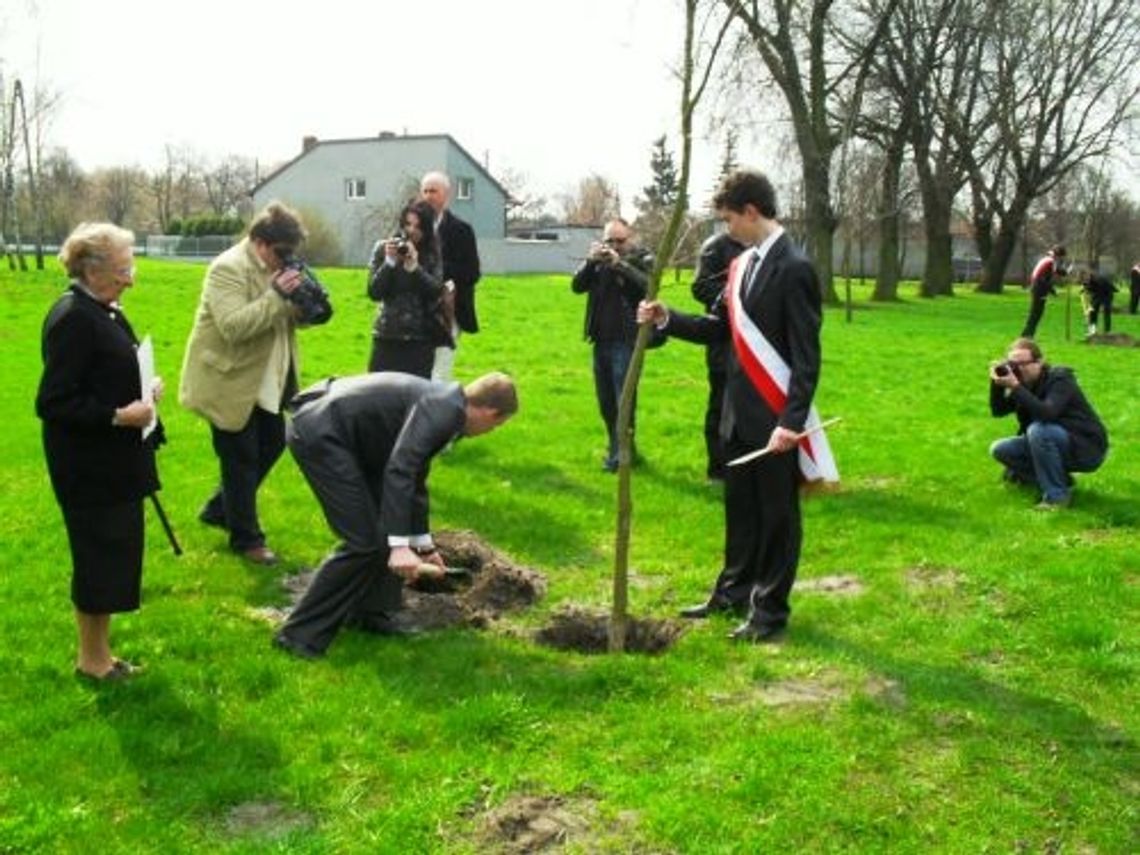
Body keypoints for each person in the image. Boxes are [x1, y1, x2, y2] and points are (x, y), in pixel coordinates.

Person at [638, 170, 838, 643]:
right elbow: (719, 328)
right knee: (740, 511)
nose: (726, 229)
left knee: (776, 518)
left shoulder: (795, 267)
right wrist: (668, 318)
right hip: (737, 412)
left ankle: (769, 613)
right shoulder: (741, 264)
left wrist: (790, 423)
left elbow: (807, 359)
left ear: (751, 212)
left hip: (775, 420)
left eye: (729, 219)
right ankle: (731, 594)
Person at [272, 372, 518, 658]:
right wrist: (400, 547)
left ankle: (368, 613)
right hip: (322, 434)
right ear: (490, 412)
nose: (492, 431)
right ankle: (296, 636)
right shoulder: (445, 411)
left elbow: (414, 476)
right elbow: (400, 469)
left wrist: (423, 546)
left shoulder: (446, 405)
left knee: (384, 533)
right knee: (363, 542)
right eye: (497, 424)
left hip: (347, 436)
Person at [36, 223, 165, 681]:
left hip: (114, 463)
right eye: (122, 269)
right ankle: (91, 662)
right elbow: (53, 402)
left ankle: (102, 654)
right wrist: (117, 415)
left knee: (113, 559)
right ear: (91, 271)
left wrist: (144, 388)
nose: (131, 278)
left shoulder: (105, 309)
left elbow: (105, 370)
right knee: (97, 560)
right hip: (88, 467)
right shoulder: (73, 317)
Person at [179, 202, 309, 565]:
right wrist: (277, 297)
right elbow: (234, 326)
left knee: (272, 443)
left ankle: (220, 509)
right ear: (260, 242)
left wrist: (305, 304)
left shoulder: (279, 267)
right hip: (228, 380)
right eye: (281, 252)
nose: (285, 260)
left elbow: (285, 320)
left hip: (266, 380)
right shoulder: (227, 268)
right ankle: (247, 539)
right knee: (241, 458)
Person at [571, 218, 654, 472]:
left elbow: (648, 285)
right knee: (606, 402)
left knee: (623, 400)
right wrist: (590, 261)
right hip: (601, 340)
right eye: (610, 241)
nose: (615, 246)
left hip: (627, 340)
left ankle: (621, 456)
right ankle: (621, 449)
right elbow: (576, 286)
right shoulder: (598, 263)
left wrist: (621, 266)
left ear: (630, 239)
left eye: (621, 241)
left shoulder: (641, 259)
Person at [989, 337, 1108, 510]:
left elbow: (1047, 413)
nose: (1018, 369)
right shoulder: (1023, 385)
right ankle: (1063, 482)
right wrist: (996, 384)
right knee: (1000, 449)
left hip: (1086, 447)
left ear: (1039, 362)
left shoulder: (1060, 379)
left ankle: (1056, 498)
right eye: (1013, 365)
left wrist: (1015, 386)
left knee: (1039, 430)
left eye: (1024, 363)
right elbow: (998, 410)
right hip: (1054, 443)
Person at [367, 200, 450, 377]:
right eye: (408, 224)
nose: (411, 230)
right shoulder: (384, 248)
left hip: (420, 339)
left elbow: (435, 291)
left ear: (427, 229)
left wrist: (415, 269)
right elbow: (374, 292)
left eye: (418, 226)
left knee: (415, 398)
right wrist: (389, 263)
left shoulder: (432, 252)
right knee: (378, 396)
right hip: (386, 335)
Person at [691, 231, 747, 481]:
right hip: (723, 340)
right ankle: (718, 469)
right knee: (720, 406)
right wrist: (727, 295)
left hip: (757, 343)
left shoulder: (765, 243)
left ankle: (749, 466)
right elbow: (700, 286)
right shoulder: (716, 246)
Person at [420, 171, 481, 382]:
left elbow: (472, 272)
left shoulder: (462, 231)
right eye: (425, 191)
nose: (428, 196)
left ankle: (437, 412)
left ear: (446, 195)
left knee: (439, 372)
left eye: (433, 191)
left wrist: (434, 269)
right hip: (416, 311)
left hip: (449, 311)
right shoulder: (411, 228)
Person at [1021, 245, 1067, 338]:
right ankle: (1027, 334)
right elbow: (1043, 279)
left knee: (1036, 312)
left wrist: (1064, 272)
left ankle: (1029, 334)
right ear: (1058, 255)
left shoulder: (1047, 259)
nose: (1061, 259)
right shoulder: (1050, 261)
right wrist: (1052, 290)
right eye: (1061, 257)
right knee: (1036, 312)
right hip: (1039, 289)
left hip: (1037, 287)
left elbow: (1055, 271)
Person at [1078, 268, 1117, 335]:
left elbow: (1098, 294)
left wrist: (1091, 306)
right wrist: (1084, 290)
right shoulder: (1086, 280)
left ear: (1088, 276)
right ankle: (1093, 330)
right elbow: (1087, 287)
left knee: (1106, 310)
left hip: (1107, 292)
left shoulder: (1097, 280)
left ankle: (1107, 331)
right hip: (1098, 292)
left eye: (1085, 279)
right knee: (1093, 311)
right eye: (1083, 280)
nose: (1085, 281)